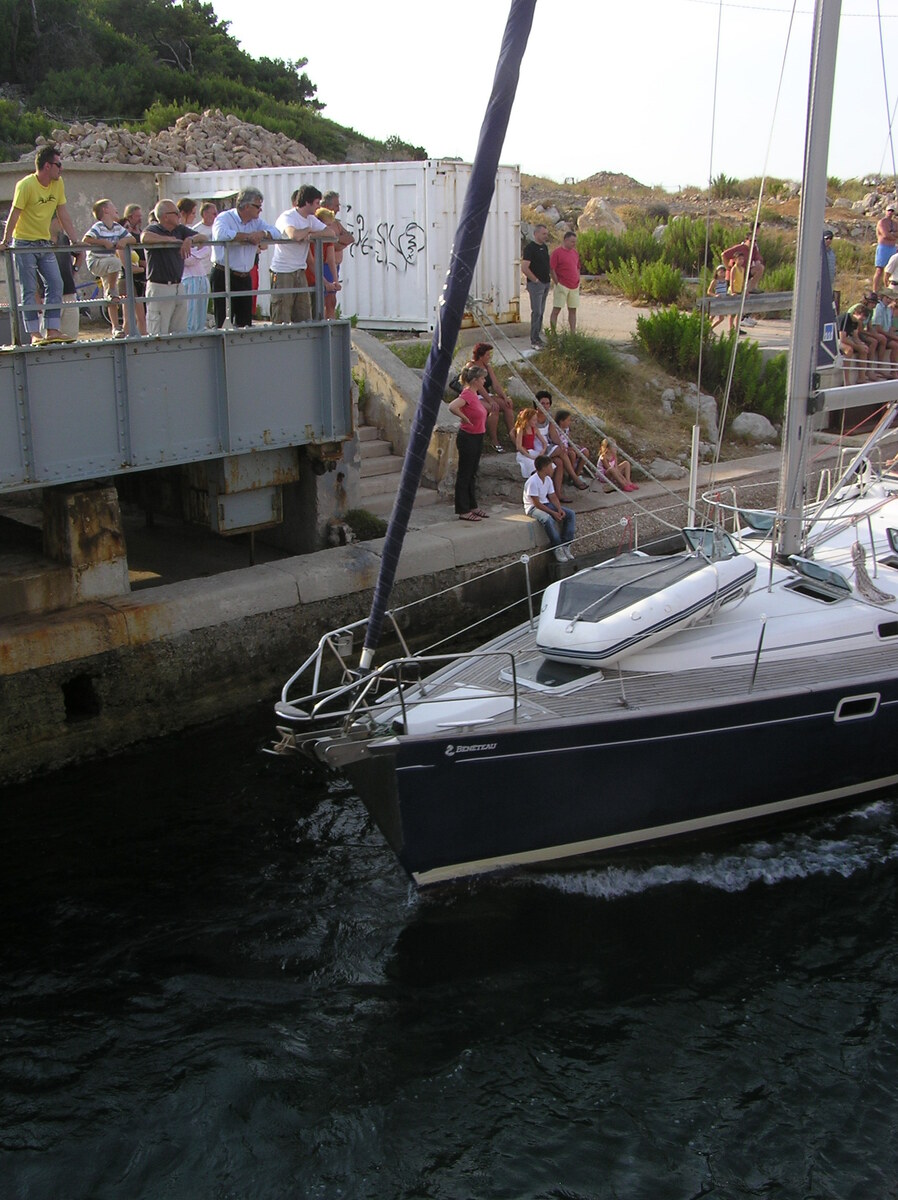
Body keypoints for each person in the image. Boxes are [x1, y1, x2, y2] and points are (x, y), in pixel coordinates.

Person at [0, 144, 83, 344]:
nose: (61, 169)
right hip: (24, 243)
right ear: (47, 166)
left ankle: (52, 329)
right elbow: (14, 214)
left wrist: (75, 240)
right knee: (29, 288)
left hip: (44, 242)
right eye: (58, 164)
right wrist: (6, 240)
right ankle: (34, 333)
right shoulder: (26, 185)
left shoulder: (58, 183)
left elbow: (62, 213)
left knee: (55, 283)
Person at [211, 189, 280, 328]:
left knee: (245, 323)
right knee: (223, 322)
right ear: (247, 206)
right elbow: (221, 235)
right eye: (258, 206)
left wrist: (262, 233)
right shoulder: (225, 218)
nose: (260, 210)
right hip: (224, 274)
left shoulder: (257, 222)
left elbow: (277, 233)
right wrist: (248, 237)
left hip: (244, 277)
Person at [141, 199, 205, 336]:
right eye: (176, 213)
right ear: (165, 216)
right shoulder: (154, 229)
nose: (179, 215)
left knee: (179, 332)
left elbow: (203, 237)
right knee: (158, 332)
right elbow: (145, 237)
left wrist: (190, 239)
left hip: (178, 286)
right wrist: (170, 240)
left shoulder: (180, 229)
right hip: (160, 287)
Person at [269, 186, 327, 325]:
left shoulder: (311, 219)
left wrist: (311, 235)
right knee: (282, 315)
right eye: (316, 203)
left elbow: (330, 232)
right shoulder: (287, 217)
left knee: (304, 315)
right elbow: (294, 235)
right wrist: (308, 230)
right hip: (283, 272)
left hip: (300, 271)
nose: (319, 207)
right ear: (307, 202)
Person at [83, 198, 135, 337]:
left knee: (113, 295)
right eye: (113, 206)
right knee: (116, 263)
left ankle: (115, 327)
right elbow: (86, 239)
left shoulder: (117, 227)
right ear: (105, 210)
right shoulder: (98, 226)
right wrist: (103, 242)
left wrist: (124, 240)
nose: (116, 209)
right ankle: (111, 290)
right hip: (96, 261)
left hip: (110, 265)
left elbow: (133, 239)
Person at [447, 364, 489, 521]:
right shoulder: (467, 394)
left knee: (472, 472)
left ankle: (473, 505)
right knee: (465, 473)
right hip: (468, 437)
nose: (484, 381)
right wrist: (464, 418)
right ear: (475, 380)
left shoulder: (474, 395)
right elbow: (452, 406)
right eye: (482, 378)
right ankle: (463, 509)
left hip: (477, 436)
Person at [524, 455, 576, 563]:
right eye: (550, 466)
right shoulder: (532, 482)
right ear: (544, 468)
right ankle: (557, 547)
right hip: (533, 507)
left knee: (570, 514)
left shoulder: (548, 479)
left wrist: (559, 509)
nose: (553, 468)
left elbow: (552, 496)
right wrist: (553, 513)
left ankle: (566, 545)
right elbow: (537, 504)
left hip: (546, 503)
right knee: (547, 519)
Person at [464, 342, 515, 451]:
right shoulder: (471, 366)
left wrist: (505, 397)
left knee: (507, 406)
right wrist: (491, 401)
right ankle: (494, 440)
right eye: (487, 355)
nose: (489, 357)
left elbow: (495, 385)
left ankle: (513, 436)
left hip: (487, 395)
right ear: (480, 356)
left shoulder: (487, 367)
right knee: (494, 408)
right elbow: (479, 387)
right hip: (474, 395)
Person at [177, 198, 212, 333]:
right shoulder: (177, 232)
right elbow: (186, 259)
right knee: (189, 316)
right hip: (188, 278)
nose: (194, 216)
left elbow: (207, 249)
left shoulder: (191, 232)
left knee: (201, 316)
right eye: (192, 213)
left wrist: (195, 254)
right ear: (183, 213)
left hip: (201, 276)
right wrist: (196, 254)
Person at [522, 222, 551, 348]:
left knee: (541, 311)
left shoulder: (544, 247)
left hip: (545, 283)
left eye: (546, 234)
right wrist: (535, 280)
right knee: (537, 311)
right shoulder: (530, 248)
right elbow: (525, 267)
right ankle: (534, 338)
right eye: (543, 234)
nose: (545, 236)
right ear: (536, 234)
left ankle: (538, 336)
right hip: (536, 285)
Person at [122, 204, 148, 336]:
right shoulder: (127, 237)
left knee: (142, 315)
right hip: (131, 278)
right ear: (130, 217)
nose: (140, 219)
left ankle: (142, 337)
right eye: (137, 216)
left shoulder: (141, 233)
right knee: (130, 315)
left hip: (142, 277)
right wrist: (144, 267)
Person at [313, 206, 343, 319]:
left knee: (331, 300)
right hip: (314, 270)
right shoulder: (314, 237)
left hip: (325, 269)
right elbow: (312, 263)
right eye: (327, 225)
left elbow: (331, 260)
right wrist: (325, 282)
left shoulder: (328, 238)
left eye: (331, 225)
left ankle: (330, 323)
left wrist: (336, 280)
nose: (330, 228)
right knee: (318, 301)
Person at [549, 231, 581, 334]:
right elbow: (552, 269)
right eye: (572, 242)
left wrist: (578, 279)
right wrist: (557, 283)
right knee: (557, 309)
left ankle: (573, 333)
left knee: (573, 310)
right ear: (566, 240)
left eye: (575, 242)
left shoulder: (574, 253)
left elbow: (577, 267)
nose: (574, 244)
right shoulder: (557, 253)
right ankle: (553, 333)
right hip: (562, 285)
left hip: (574, 286)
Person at [873, 203, 897, 294]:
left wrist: (891, 235)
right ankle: (875, 290)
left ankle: (886, 288)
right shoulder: (882, 222)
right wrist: (893, 235)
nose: (890, 212)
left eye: (892, 211)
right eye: (889, 210)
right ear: (886, 211)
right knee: (879, 270)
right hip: (883, 247)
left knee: (890, 269)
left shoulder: (895, 223)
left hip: (892, 248)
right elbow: (885, 235)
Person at [707, 264, 729, 330]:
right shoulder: (715, 281)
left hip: (722, 301)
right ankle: (706, 328)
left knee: (721, 318)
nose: (722, 273)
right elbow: (709, 291)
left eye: (724, 272)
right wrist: (715, 295)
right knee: (712, 316)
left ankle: (711, 328)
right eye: (721, 272)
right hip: (716, 301)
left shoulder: (725, 281)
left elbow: (725, 291)